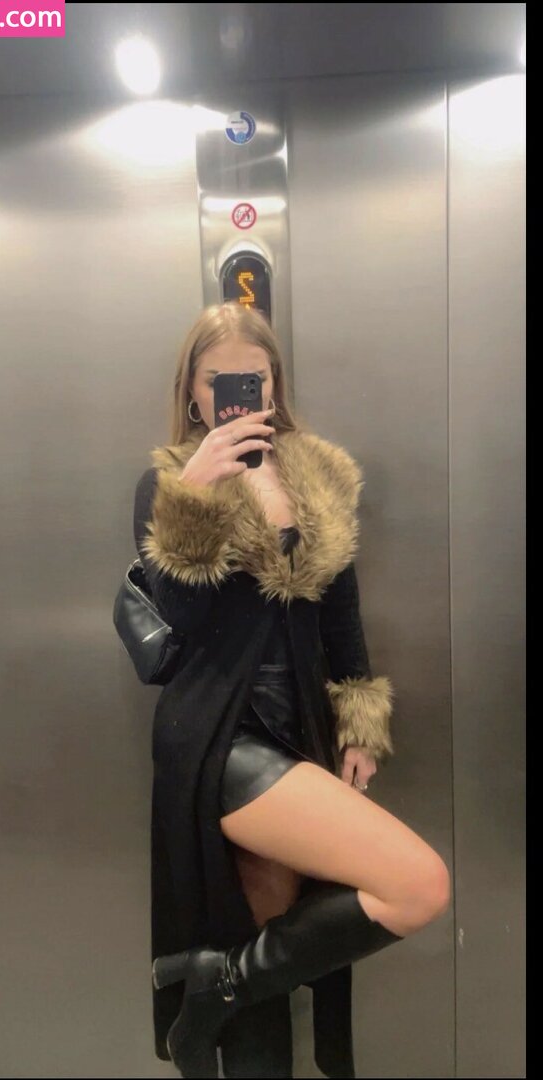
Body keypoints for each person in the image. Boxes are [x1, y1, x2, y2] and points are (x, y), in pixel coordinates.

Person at [129, 302, 451, 1079]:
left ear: (274, 383)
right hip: (216, 735)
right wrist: (194, 500)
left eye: (256, 376)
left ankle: (220, 988)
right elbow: (178, 624)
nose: (239, 392)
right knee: (417, 883)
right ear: (194, 390)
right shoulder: (168, 481)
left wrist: (358, 724)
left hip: (298, 723)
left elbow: (340, 615)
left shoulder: (318, 474)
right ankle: (217, 985)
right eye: (219, 379)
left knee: (264, 935)